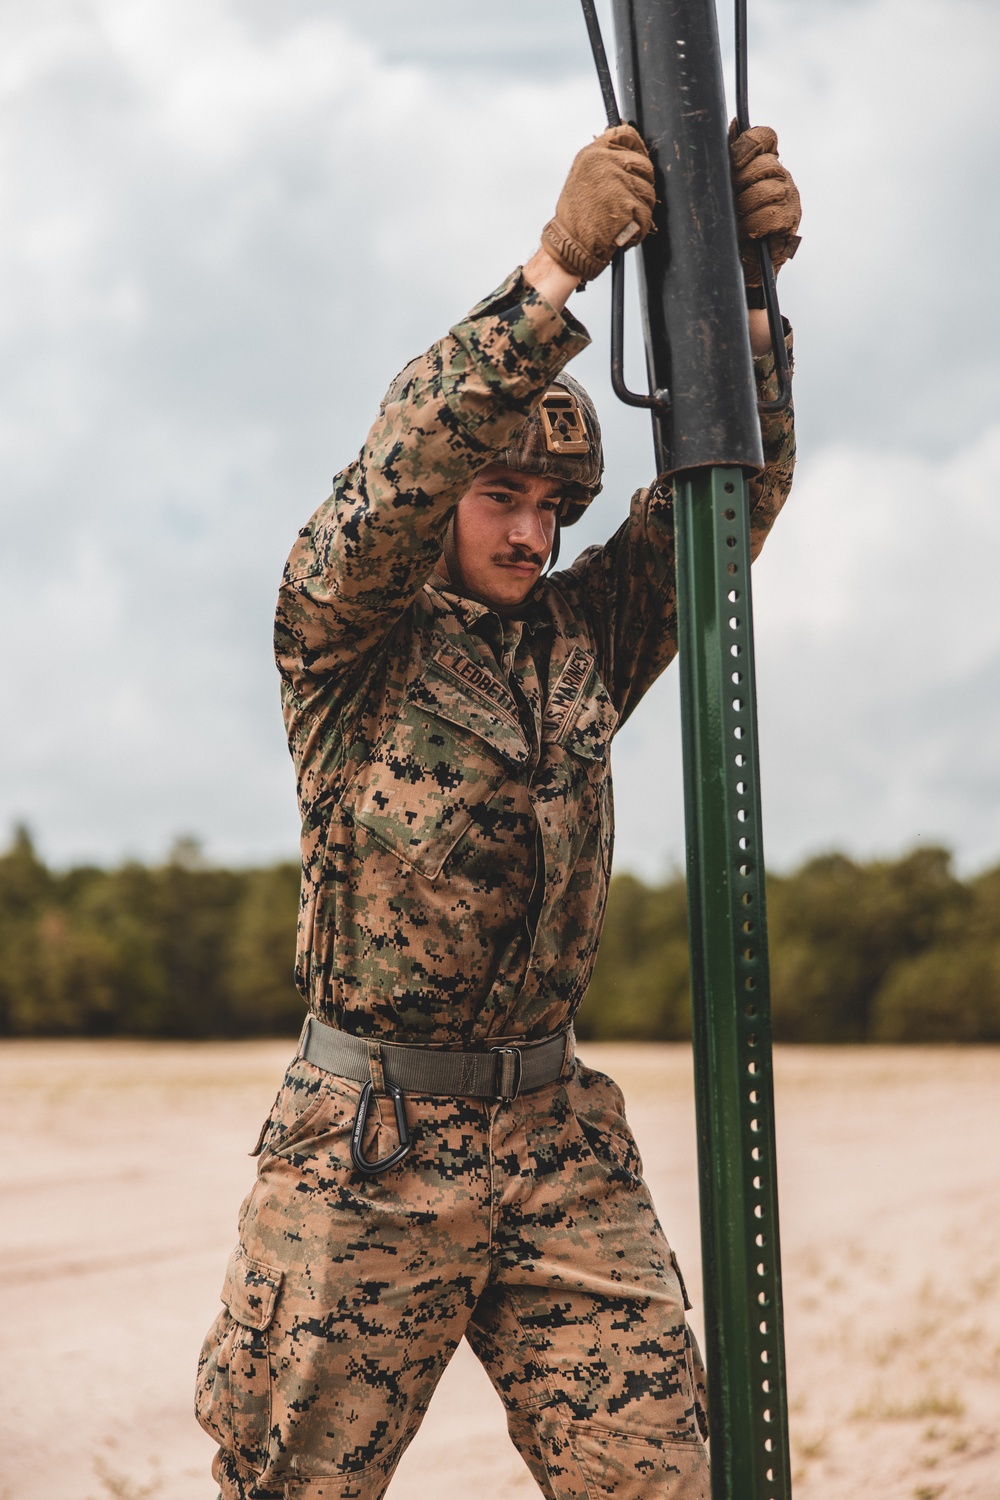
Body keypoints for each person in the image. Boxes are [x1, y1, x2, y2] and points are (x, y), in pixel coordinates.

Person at [196, 120, 800, 1500]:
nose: (531, 533)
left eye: (551, 505)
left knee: (663, 1483)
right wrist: (551, 276)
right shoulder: (342, 636)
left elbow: (730, 499)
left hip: (553, 1141)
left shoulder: (584, 635)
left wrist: (748, 301)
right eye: (500, 496)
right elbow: (399, 467)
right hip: (368, 1155)